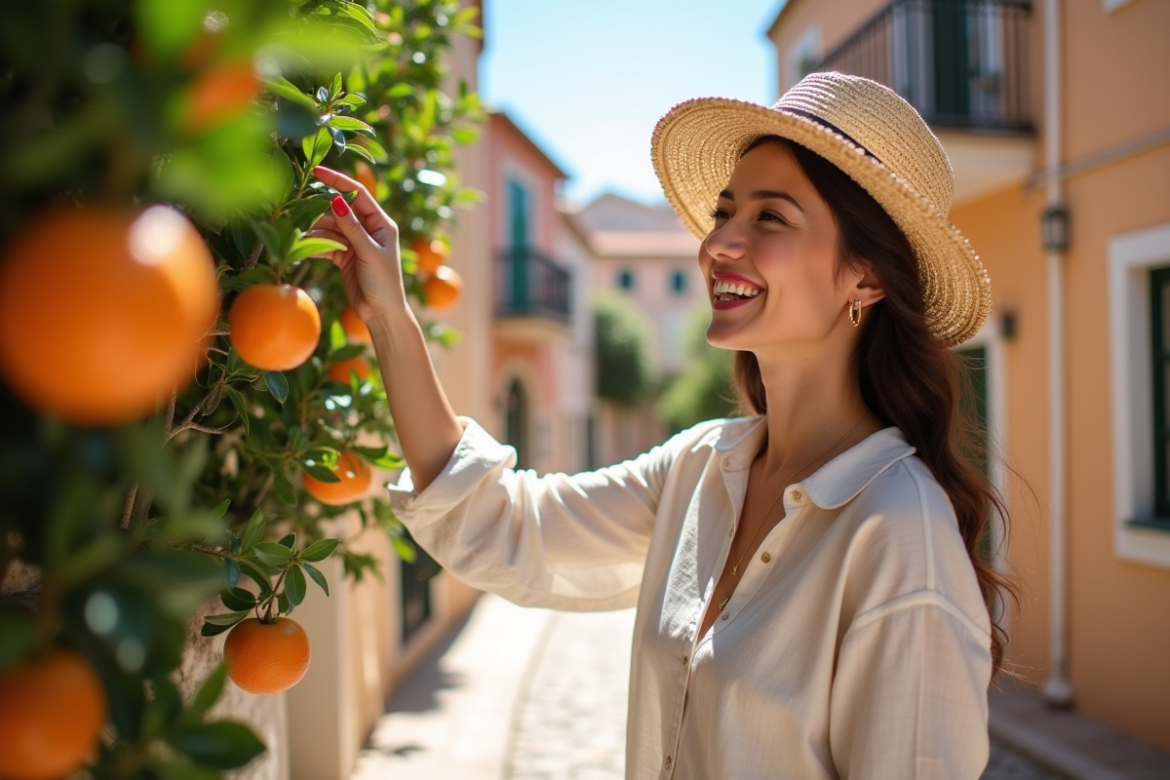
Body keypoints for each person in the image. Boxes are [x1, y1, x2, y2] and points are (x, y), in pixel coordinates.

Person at [309, 71, 1014, 779]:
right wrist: (390, 318)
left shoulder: (900, 532)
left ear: (866, 278)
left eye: (770, 218)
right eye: (724, 212)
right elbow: (503, 523)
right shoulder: (698, 469)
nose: (718, 245)